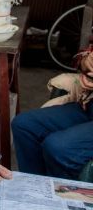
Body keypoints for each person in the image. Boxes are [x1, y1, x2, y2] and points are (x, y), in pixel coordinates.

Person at [12, 46, 93, 179]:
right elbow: (81, 55)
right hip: (88, 105)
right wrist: (86, 61)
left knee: (58, 147)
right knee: (24, 124)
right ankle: (35, 190)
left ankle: (62, 196)